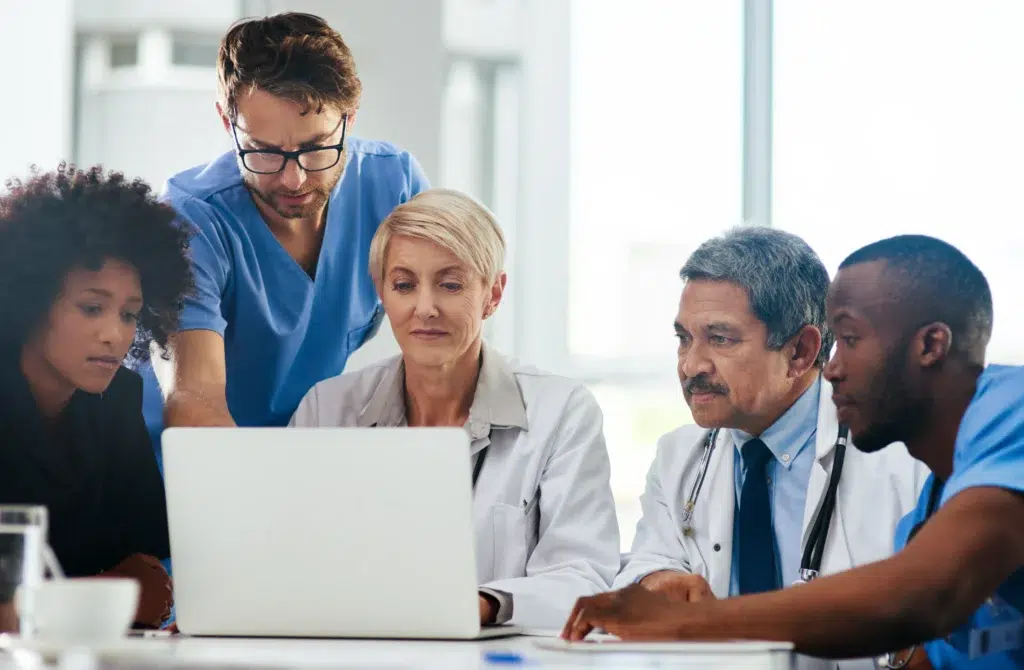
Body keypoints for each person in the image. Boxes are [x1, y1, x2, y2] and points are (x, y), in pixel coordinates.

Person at [563, 235, 1024, 670]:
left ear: (930, 345)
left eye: (850, 339)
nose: (834, 367)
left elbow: (923, 597)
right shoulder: (928, 507)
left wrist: (682, 624)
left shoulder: (1013, 411)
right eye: (683, 338)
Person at [290, 188, 620, 629]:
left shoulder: (560, 411)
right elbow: (286, 556)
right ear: (382, 293)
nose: (425, 308)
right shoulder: (325, 410)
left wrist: (482, 603)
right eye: (404, 285)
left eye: (450, 284)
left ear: (493, 294)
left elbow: (584, 576)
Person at [612, 227, 926, 669]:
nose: (690, 364)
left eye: (721, 339)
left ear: (800, 351)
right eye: (684, 338)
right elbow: (647, 561)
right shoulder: (678, 456)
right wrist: (655, 580)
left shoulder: (901, 456)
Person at [143, 12, 429, 450]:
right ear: (227, 121)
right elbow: (194, 403)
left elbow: (447, 338)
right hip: (176, 462)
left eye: (316, 149)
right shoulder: (193, 218)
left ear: (350, 118)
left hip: (294, 453)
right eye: (263, 152)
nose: (293, 180)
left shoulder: (394, 185)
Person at [0, 164, 195, 629]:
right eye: (92, 308)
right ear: (31, 299)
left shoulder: (119, 399)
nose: (115, 335)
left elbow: (153, 579)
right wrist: (99, 595)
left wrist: (39, 605)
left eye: (129, 315)